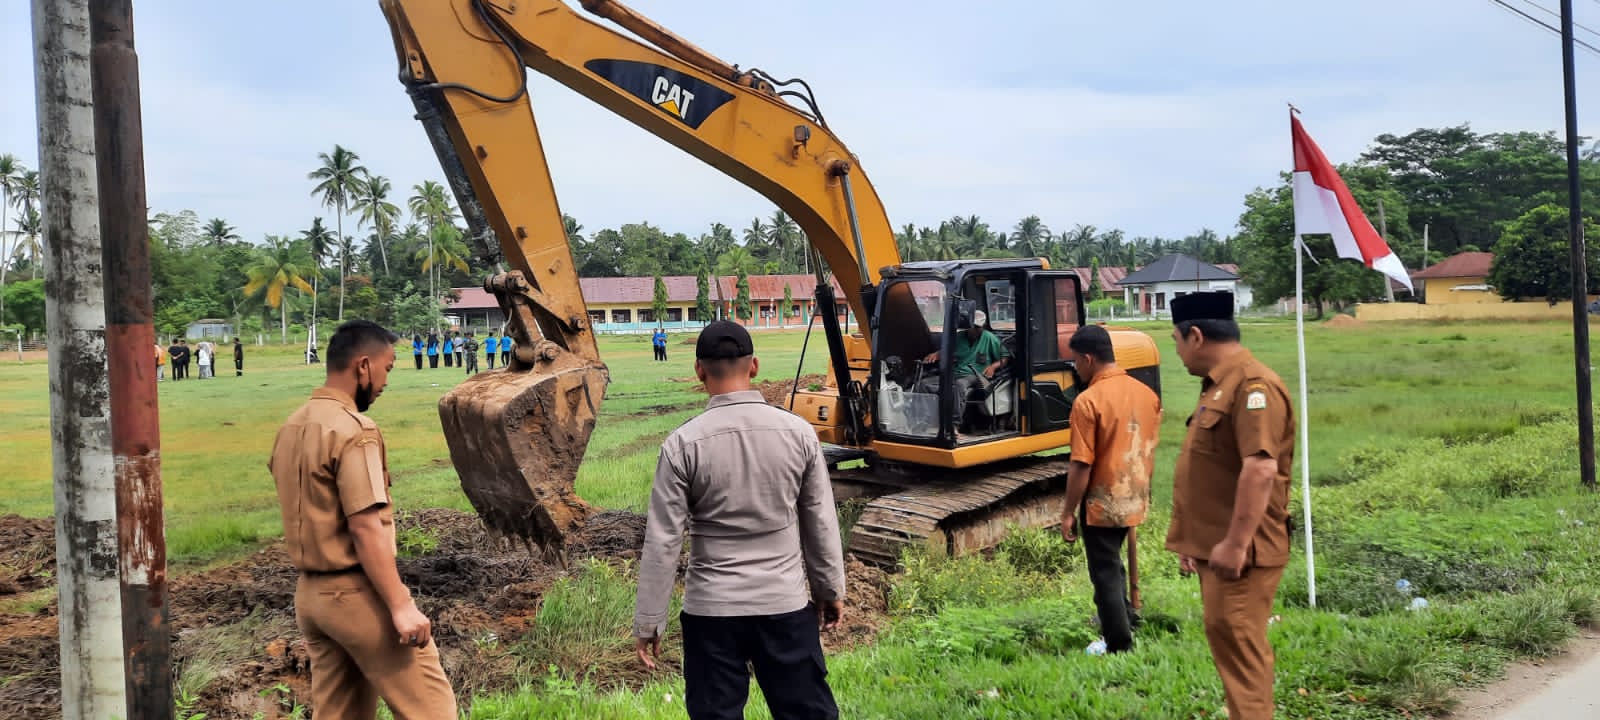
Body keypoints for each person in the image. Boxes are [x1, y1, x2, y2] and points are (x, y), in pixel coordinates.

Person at [634, 320, 846, 720]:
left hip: (711, 613)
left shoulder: (682, 444)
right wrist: (829, 588)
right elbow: (819, 519)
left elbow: (663, 540)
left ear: (700, 371)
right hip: (784, 605)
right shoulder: (799, 434)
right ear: (754, 367)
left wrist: (649, 621)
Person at [267, 320, 458, 718]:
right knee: (434, 711)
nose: (386, 381)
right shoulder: (355, 431)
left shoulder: (291, 426)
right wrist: (401, 604)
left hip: (311, 598)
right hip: (356, 596)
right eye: (387, 368)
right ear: (363, 366)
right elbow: (365, 524)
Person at [1165, 291, 1294, 720]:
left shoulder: (1253, 387)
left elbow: (1260, 470)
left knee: (1242, 657)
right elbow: (1214, 471)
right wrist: (1196, 541)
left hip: (1244, 555)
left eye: (1176, 341)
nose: (1177, 352)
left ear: (1196, 336)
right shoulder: (1221, 386)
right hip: (1219, 549)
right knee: (1231, 650)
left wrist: (1236, 545)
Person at [1059, 325, 1160, 654]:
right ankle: (1125, 620)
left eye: (1075, 361)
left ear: (1088, 359)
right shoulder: (1147, 394)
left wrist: (1067, 512)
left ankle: (1119, 645)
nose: (1075, 368)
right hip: (1136, 495)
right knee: (1114, 565)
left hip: (1103, 500)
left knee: (1103, 573)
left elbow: (1081, 464)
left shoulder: (1087, 401)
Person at [919, 309, 1009, 423]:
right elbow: (947, 350)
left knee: (959, 385)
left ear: (983, 326)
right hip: (956, 373)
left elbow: (1005, 358)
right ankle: (927, 420)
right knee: (923, 384)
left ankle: (954, 424)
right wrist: (937, 354)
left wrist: (993, 367)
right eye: (973, 326)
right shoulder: (959, 337)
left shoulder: (989, 338)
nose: (975, 330)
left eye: (978, 327)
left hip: (975, 375)